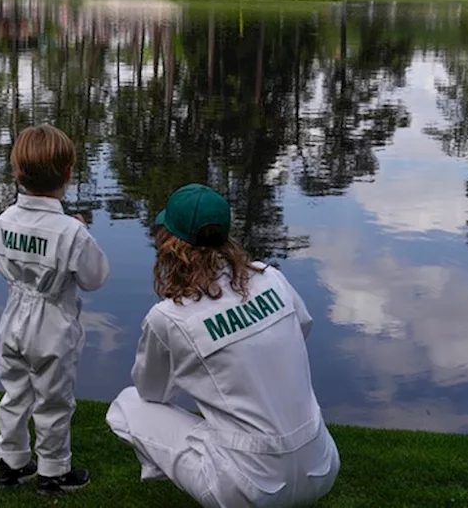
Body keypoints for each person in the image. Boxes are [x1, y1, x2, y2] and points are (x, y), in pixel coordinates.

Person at [106, 184, 339, 508]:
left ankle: (184, 474)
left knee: (127, 406)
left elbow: (153, 394)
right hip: (323, 463)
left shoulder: (169, 317)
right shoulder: (271, 278)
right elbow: (302, 328)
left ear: (171, 244)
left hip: (249, 489)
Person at [0, 124, 110, 495]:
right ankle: (53, 470)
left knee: (15, 392)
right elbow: (94, 277)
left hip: (13, 317)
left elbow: (1, 260)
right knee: (54, 399)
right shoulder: (70, 232)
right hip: (53, 323)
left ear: (18, 172)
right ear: (69, 174)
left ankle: (11, 463)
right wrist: (82, 232)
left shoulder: (3, 221)